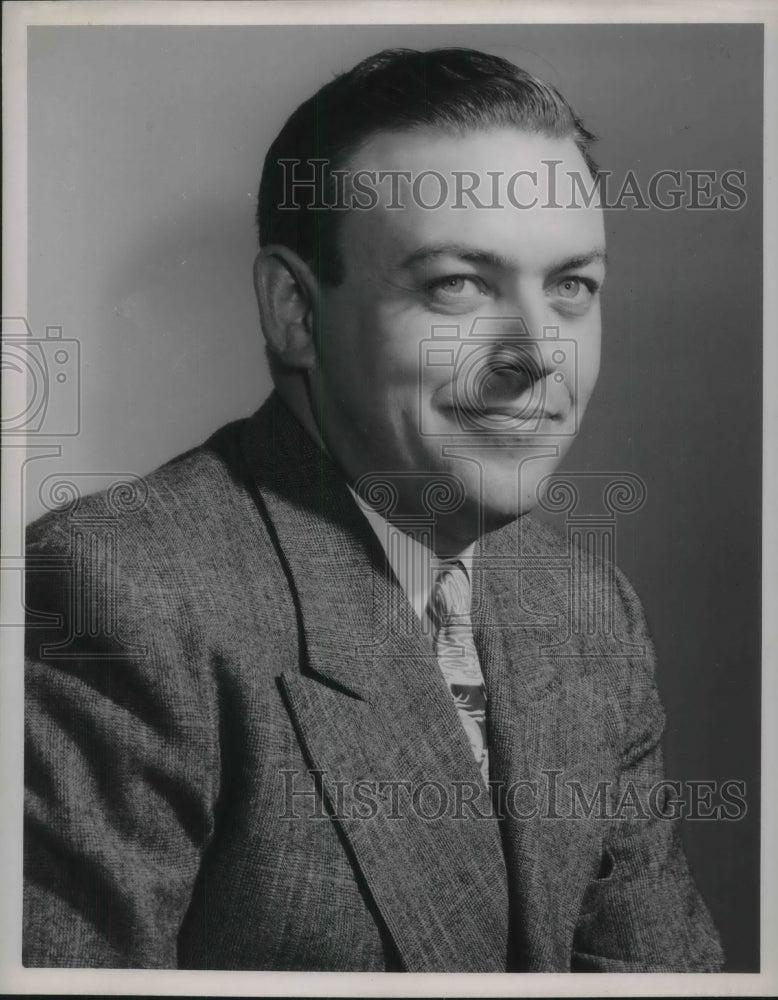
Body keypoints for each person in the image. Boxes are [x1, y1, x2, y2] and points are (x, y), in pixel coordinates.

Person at [23, 47, 724, 971]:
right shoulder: (120, 591)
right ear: (295, 313)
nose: (537, 356)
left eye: (571, 287)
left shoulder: (588, 611)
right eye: (458, 285)